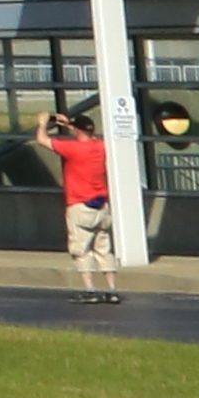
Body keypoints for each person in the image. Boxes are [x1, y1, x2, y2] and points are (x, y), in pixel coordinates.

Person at [39, 107, 121, 304]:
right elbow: (82, 135)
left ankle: (90, 289)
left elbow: (42, 140)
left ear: (77, 131)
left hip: (79, 204)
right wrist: (69, 124)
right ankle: (112, 289)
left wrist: (43, 123)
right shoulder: (100, 146)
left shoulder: (73, 149)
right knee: (104, 248)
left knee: (81, 249)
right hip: (101, 206)